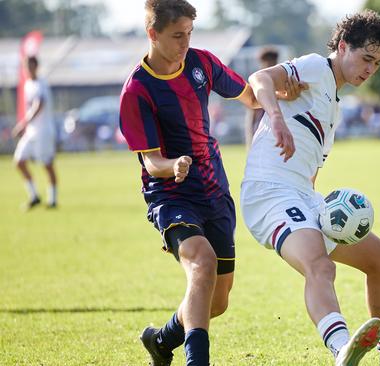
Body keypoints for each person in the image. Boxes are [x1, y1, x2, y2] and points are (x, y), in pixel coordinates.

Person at [118, 1, 302, 365]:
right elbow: (152, 162)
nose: (185, 43)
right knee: (202, 262)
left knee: (216, 300)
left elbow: (249, 96)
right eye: (176, 36)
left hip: (215, 190)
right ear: (152, 34)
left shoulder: (201, 63)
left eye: (189, 34)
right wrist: (175, 165)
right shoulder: (137, 91)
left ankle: (160, 340)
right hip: (170, 194)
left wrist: (281, 96)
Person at [241, 10, 380, 366]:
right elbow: (259, 78)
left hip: (301, 196)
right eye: (366, 58)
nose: (370, 69)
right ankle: (341, 351)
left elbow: (308, 169)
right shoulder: (316, 68)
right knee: (320, 267)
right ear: (342, 46)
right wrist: (275, 117)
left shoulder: (334, 101)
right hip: (269, 192)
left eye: (378, 63)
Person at [12, 56, 58, 210]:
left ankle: (52, 200)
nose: (29, 69)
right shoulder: (27, 85)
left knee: (47, 164)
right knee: (19, 161)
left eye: (31, 66)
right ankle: (34, 196)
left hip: (43, 131)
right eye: (27, 66)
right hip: (31, 132)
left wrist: (23, 123)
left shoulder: (41, 83)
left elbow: (39, 104)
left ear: (36, 67)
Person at [244, 46, 280, 147]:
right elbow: (251, 114)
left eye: (272, 61)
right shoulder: (256, 83)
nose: (270, 64)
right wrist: (250, 140)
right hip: (263, 129)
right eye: (267, 62)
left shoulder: (281, 80)